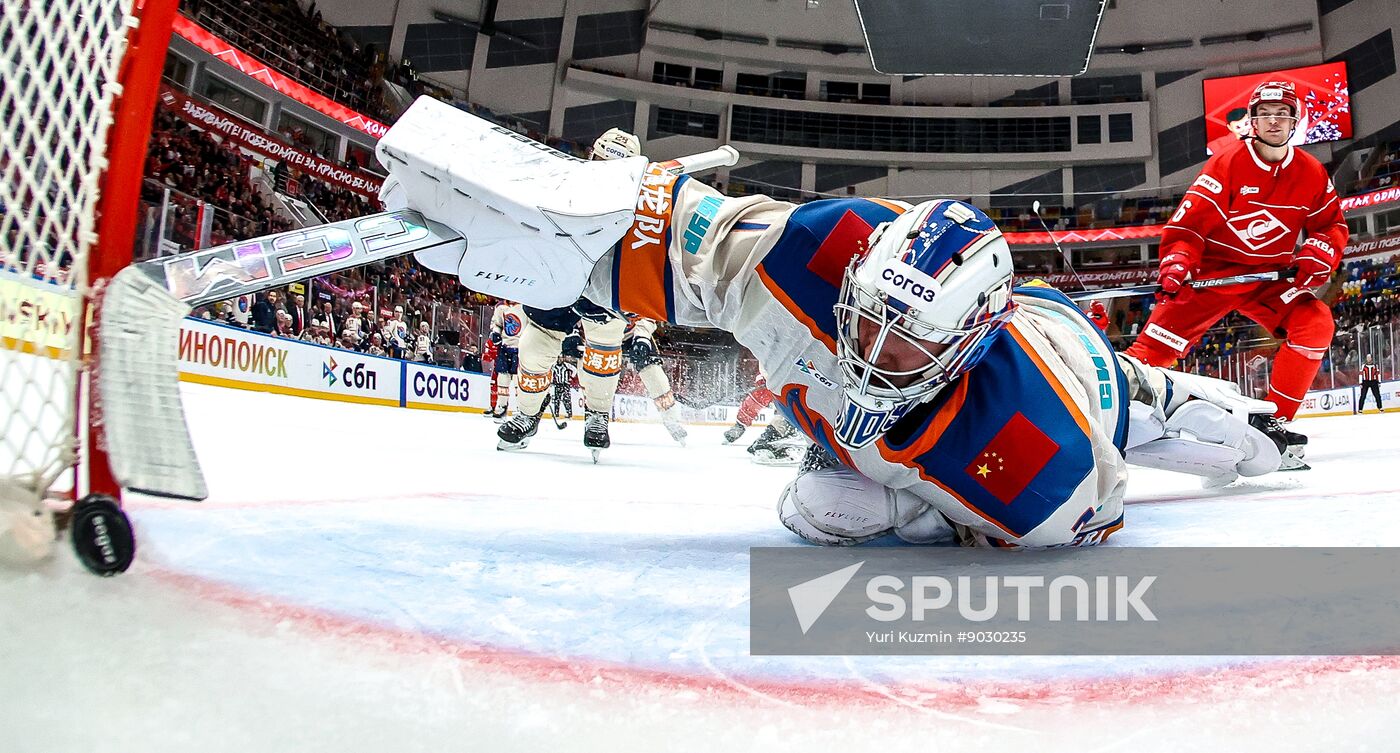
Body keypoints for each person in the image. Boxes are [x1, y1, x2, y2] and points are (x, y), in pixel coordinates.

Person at [386, 111, 1287, 549]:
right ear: (856, 274)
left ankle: (1241, 427)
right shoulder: (816, 251)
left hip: (1082, 376)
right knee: (820, 509)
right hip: (939, 416)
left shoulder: (1036, 453)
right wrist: (575, 236)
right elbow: (681, 239)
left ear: (966, 344)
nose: (869, 352)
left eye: (906, 341)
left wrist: (943, 512)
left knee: (1192, 431)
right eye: (867, 316)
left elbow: (1096, 510)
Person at [1123, 80, 1348, 467]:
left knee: (1315, 323)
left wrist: (1318, 253)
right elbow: (1189, 226)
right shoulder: (1227, 163)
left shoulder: (1311, 172)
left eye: (1282, 114)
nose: (1274, 121)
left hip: (1270, 279)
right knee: (1146, 357)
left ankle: (1274, 425)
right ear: (1252, 121)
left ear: (1295, 121)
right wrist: (1177, 261)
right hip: (1213, 276)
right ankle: (1111, 420)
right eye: (1265, 114)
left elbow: (1331, 226)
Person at [495, 129, 644, 457]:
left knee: (604, 350)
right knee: (535, 348)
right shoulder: (564, 185)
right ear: (592, 155)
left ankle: (597, 415)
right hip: (560, 276)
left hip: (604, 285)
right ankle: (527, 413)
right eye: (602, 162)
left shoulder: (641, 206)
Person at [622, 316, 687, 445]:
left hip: (634, 332)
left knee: (654, 373)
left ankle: (671, 419)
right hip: (598, 329)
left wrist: (642, 337)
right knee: (592, 370)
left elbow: (648, 312)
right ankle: (596, 416)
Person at [488, 299, 525, 418]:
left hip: (520, 348)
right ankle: (502, 405)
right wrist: (496, 333)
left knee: (519, 380)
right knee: (502, 378)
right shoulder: (500, 307)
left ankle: (521, 408)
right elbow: (497, 324)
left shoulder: (525, 307)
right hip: (505, 348)